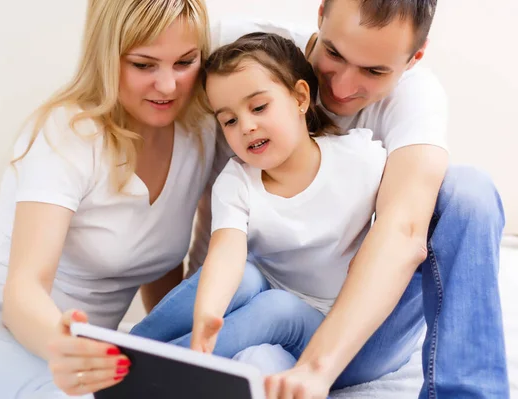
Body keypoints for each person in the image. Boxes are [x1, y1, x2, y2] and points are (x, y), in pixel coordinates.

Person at [186, 0, 509, 398]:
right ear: (320, 15)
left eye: (374, 71)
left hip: (365, 335)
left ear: (414, 58)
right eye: (334, 53)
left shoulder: (414, 100)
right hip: (264, 315)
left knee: (468, 192)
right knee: (259, 328)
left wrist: (318, 368)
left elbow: (404, 228)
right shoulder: (241, 51)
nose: (339, 87)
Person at [0, 0, 215, 397]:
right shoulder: (71, 132)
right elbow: (23, 288)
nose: (167, 85)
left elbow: (155, 259)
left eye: (185, 62)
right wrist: (64, 349)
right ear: (106, 56)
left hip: (71, 347)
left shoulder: (203, 132)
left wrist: (177, 351)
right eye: (144, 65)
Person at [131, 31, 387, 372]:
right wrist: (208, 314)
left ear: (299, 98)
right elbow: (226, 253)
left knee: (278, 307)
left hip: (330, 331)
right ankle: (129, 349)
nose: (247, 126)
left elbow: (413, 212)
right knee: (247, 279)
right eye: (230, 120)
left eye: (259, 107)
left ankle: (146, 371)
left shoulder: (360, 159)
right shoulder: (236, 181)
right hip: (266, 318)